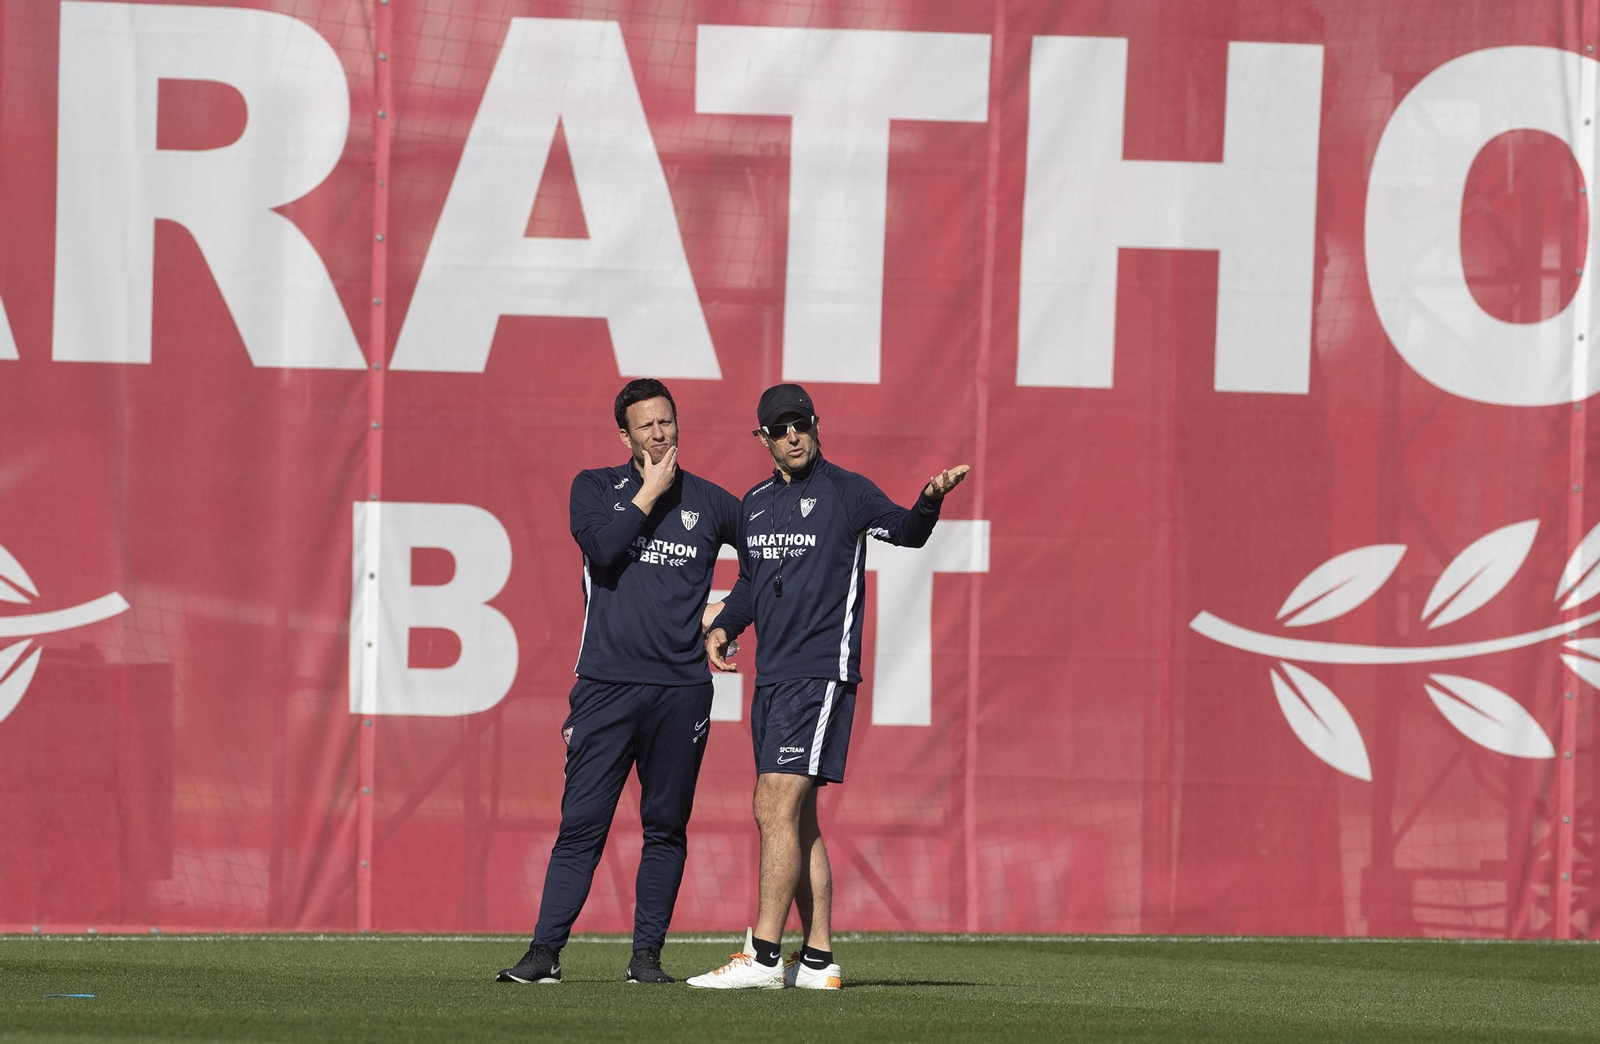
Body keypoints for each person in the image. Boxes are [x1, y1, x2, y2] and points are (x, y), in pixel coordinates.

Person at [686, 383, 969, 990]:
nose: (793, 436)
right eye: (780, 428)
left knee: (772, 804)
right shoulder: (754, 502)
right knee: (797, 818)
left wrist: (928, 500)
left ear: (816, 426)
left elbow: (907, 531)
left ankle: (763, 955)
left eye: (801, 424)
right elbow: (750, 585)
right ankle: (817, 961)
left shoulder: (847, 491)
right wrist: (724, 627)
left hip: (820, 673)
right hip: (772, 679)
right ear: (763, 439)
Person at [497, 378, 741, 985]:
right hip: (605, 687)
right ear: (624, 437)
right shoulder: (594, 487)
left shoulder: (710, 501)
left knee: (666, 827)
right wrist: (650, 491)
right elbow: (604, 550)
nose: (659, 433)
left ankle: (646, 959)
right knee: (581, 825)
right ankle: (544, 953)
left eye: (666, 421)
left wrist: (726, 618)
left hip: (681, 691)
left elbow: (767, 561)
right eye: (646, 425)